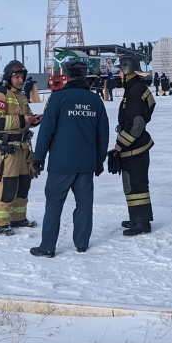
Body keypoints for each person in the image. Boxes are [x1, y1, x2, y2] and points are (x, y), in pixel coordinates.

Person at [29, 60, 109, 257]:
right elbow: (103, 134)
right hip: (86, 163)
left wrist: (38, 158)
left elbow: (46, 131)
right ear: (84, 75)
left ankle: (47, 246)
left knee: (54, 205)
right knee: (84, 204)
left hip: (61, 164)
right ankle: (81, 243)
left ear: (65, 74)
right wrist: (99, 161)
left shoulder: (58, 98)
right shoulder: (95, 100)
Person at [0, 60, 42, 235]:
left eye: (22, 77)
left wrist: (33, 120)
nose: (19, 80)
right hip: (7, 149)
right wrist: (22, 120)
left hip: (23, 147)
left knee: (23, 184)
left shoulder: (21, 95)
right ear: (9, 77)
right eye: (16, 77)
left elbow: (26, 116)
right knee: (7, 185)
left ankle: (18, 218)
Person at [111, 55, 155, 236]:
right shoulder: (136, 88)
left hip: (134, 147)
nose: (119, 75)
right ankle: (136, 218)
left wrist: (120, 144)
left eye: (120, 72)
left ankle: (142, 223)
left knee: (136, 185)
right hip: (136, 146)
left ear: (127, 70)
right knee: (132, 183)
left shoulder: (135, 92)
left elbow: (136, 124)